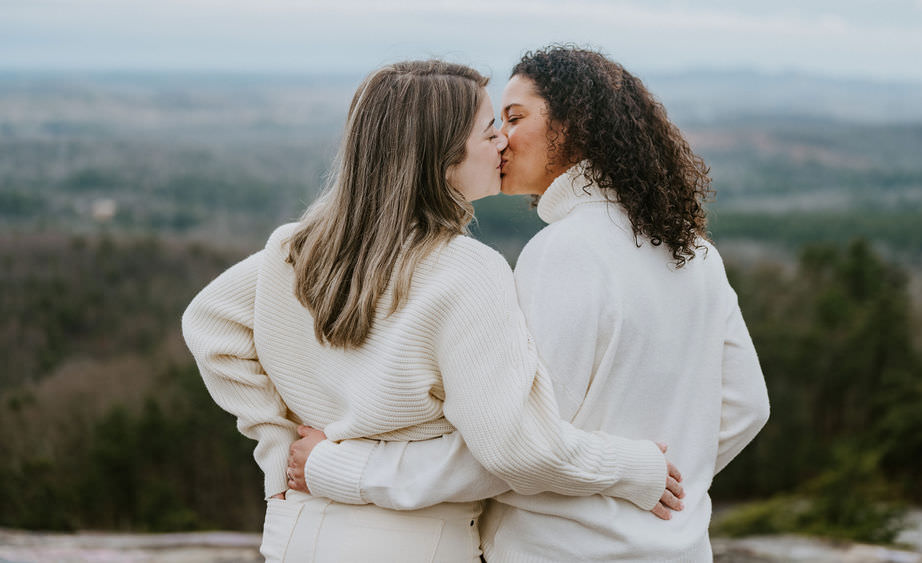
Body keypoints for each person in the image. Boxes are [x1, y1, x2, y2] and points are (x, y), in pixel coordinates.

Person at [181, 60, 683, 563]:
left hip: (299, 532)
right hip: (410, 541)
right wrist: (633, 468)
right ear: (440, 157)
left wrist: (278, 449)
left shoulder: (298, 246)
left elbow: (208, 323)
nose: (503, 143)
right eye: (489, 131)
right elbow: (514, 449)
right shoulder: (468, 270)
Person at [285, 46, 771, 562]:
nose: (501, 138)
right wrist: (670, 474)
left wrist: (341, 469)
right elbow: (746, 408)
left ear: (577, 125)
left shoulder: (565, 251)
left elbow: (511, 449)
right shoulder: (695, 253)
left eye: (515, 118)